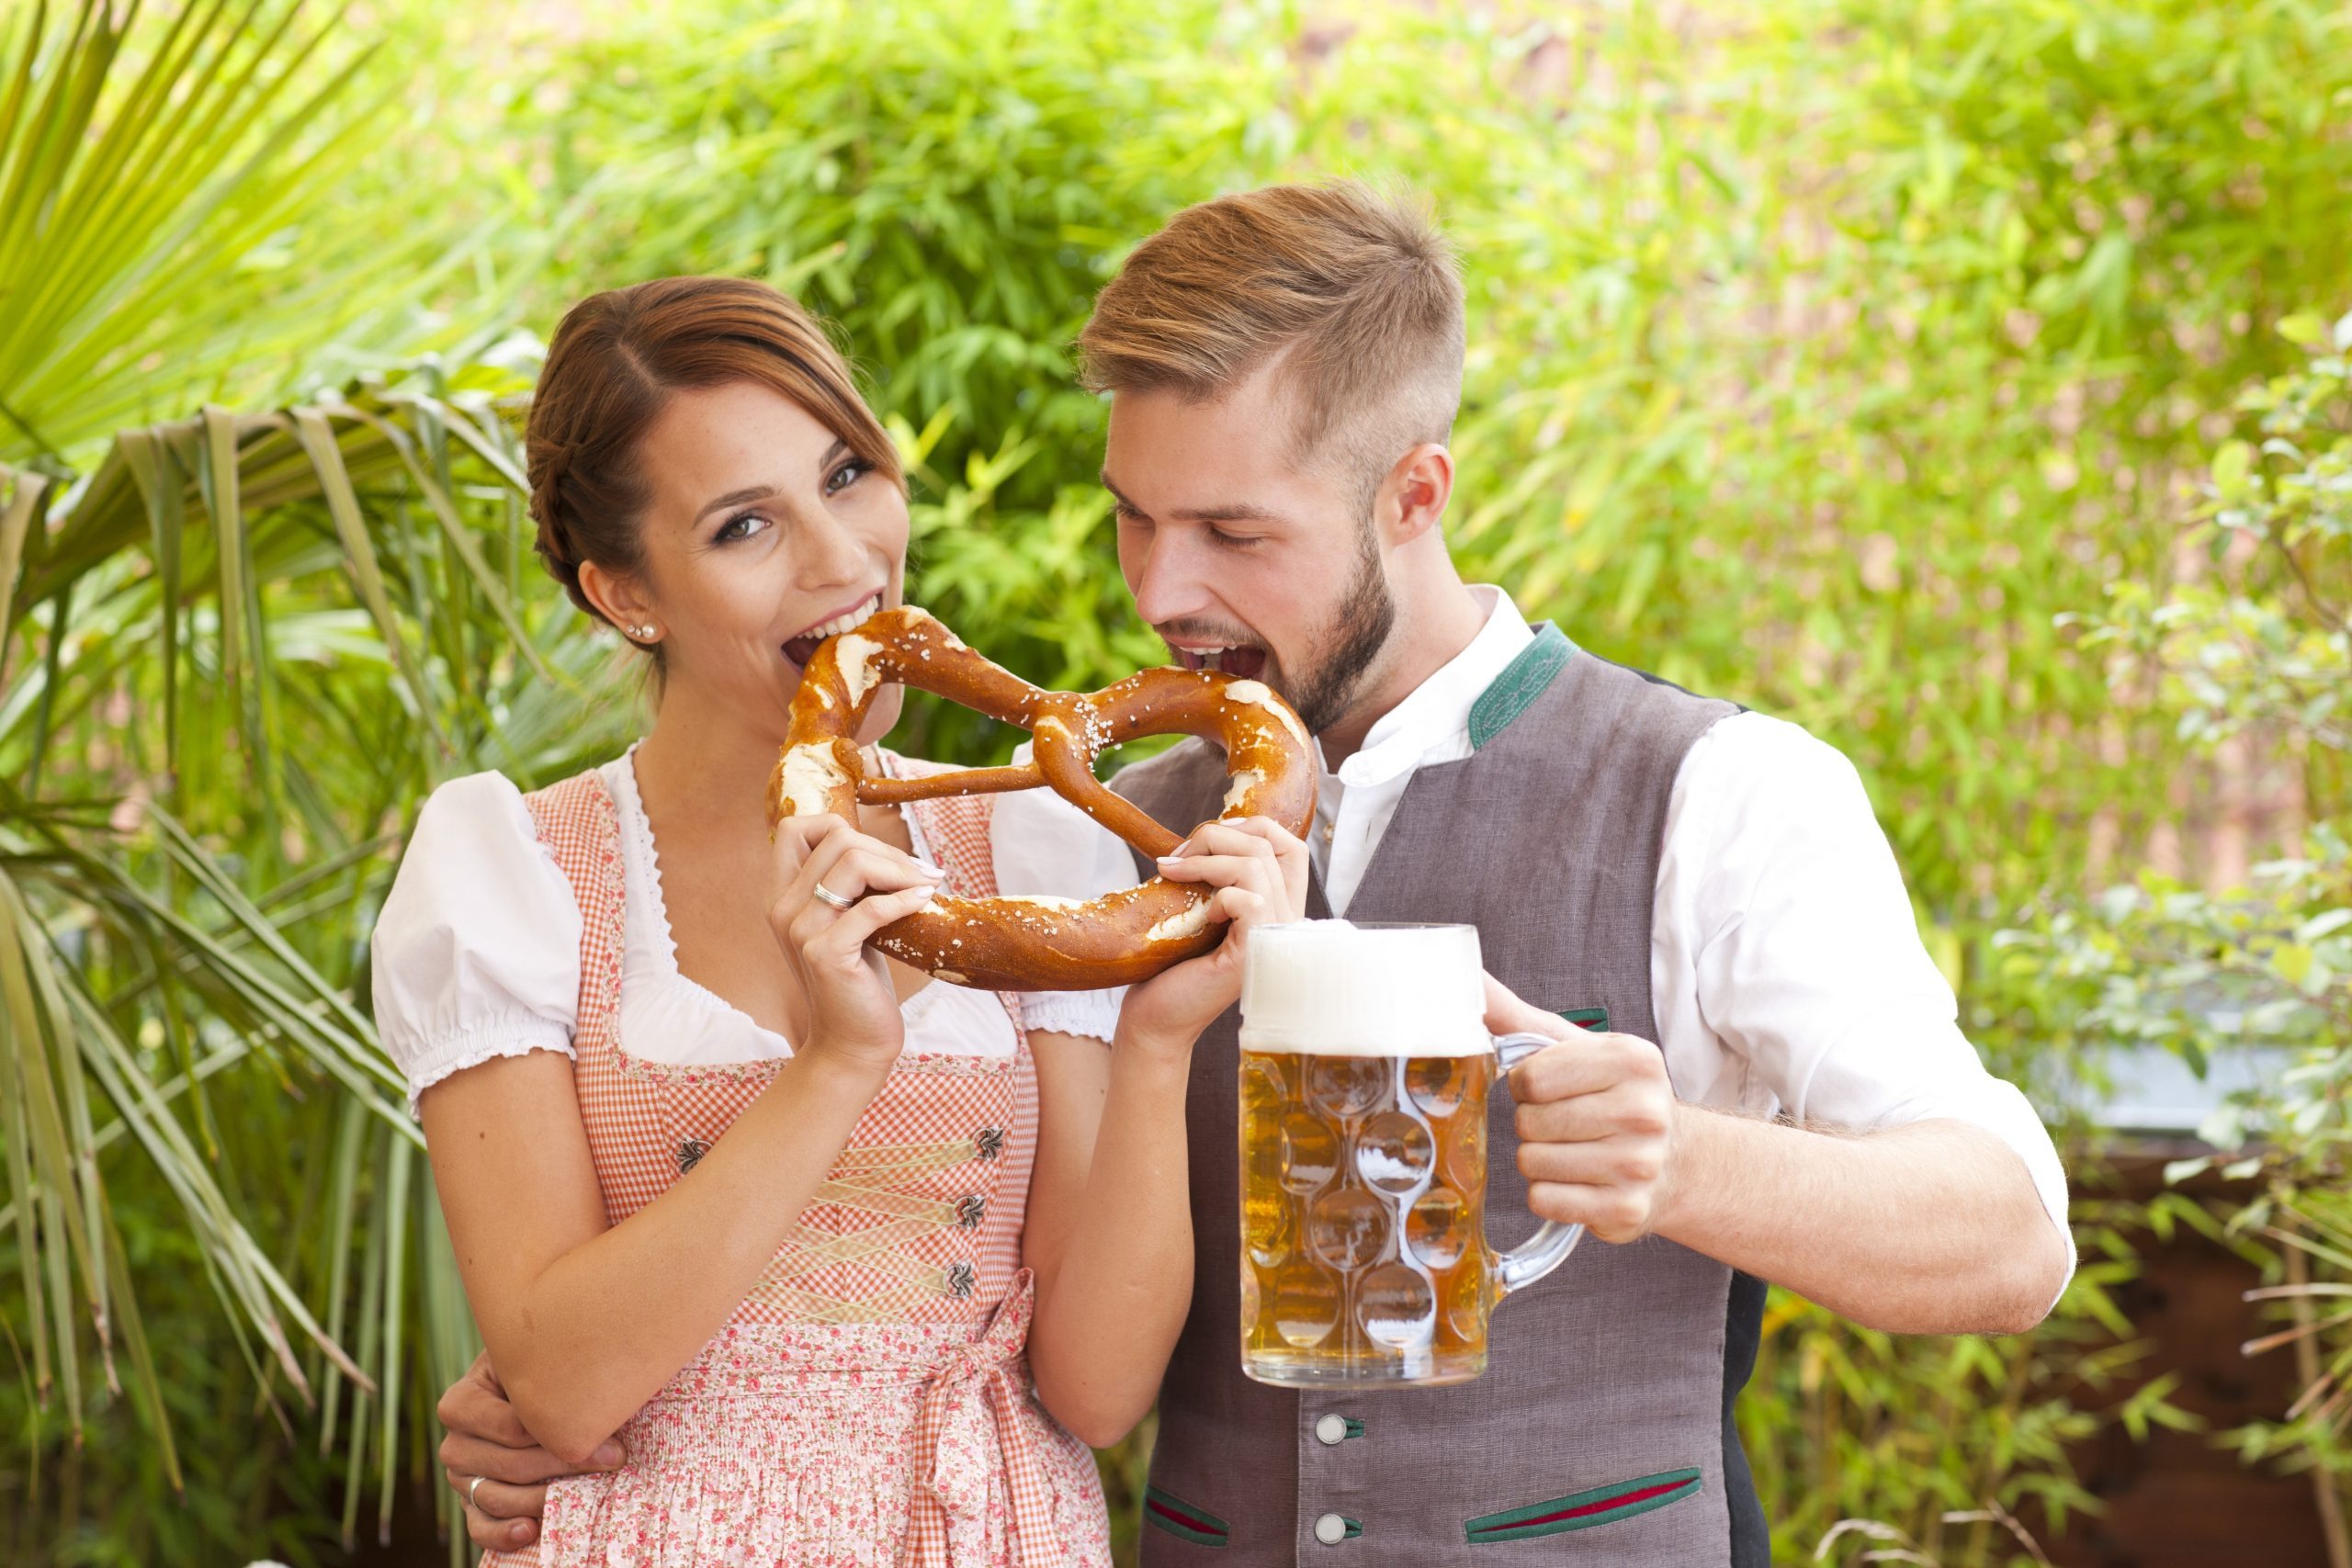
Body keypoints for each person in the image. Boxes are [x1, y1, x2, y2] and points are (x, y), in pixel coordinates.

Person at [440, 186, 2073, 1563]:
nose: (1163, 591)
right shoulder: (1097, 838)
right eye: (1136, 521)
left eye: (1233, 531)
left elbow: (2008, 1242)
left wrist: (1684, 1164)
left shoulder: (1718, 791)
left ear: (1413, 492)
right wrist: (564, 1395)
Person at [370, 276, 1306, 1565]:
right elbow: (563, 1389)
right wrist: (834, 1061)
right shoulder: (519, 877)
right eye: (744, 526)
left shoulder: (1026, 849)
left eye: (849, 474)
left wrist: (1158, 1042)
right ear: (622, 592)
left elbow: (1093, 1393)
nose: (843, 560)